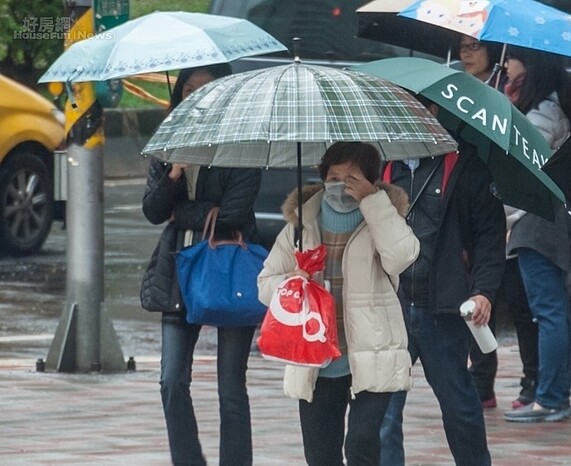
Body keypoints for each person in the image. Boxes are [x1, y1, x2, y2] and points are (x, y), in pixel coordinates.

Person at [257, 142, 420, 466]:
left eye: (352, 177)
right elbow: (265, 284)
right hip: (317, 355)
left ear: (371, 181)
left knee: (360, 444)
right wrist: (295, 282)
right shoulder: (302, 225)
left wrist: (373, 202)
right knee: (320, 455)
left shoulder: (381, 217)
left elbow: (402, 256)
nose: (341, 184)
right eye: (334, 176)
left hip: (373, 350)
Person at [142, 64, 263, 465]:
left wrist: (185, 212)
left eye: (205, 89)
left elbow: (233, 213)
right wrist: (175, 171)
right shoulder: (167, 145)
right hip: (179, 270)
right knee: (171, 381)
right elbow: (154, 211)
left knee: (230, 386)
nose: (196, 96)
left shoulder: (242, 145)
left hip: (228, 270)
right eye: (189, 89)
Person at [379, 96, 506, 466]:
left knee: (460, 407)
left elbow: (488, 235)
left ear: (432, 112)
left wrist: (483, 291)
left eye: (411, 109)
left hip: (444, 309)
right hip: (391, 309)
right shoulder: (381, 164)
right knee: (384, 411)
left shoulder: (465, 164)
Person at [502, 46, 571, 423]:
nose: (505, 64)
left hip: (537, 220)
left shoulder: (540, 112)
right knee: (553, 312)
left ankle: (551, 398)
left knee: (547, 312)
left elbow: (527, 173)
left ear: (531, 64)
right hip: (549, 220)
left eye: (513, 58)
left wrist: (509, 220)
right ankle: (554, 396)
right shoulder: (551, 106)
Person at [459, 34, 537, 410]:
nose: (466, 53)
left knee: (515, 304)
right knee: (474, 299)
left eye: (473, 46)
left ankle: (530, 381)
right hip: (469, 203)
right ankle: (481, 382)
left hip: (503, 208)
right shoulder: (453, 89)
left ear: (494, 51)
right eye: (461, 47)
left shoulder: (506, 95)